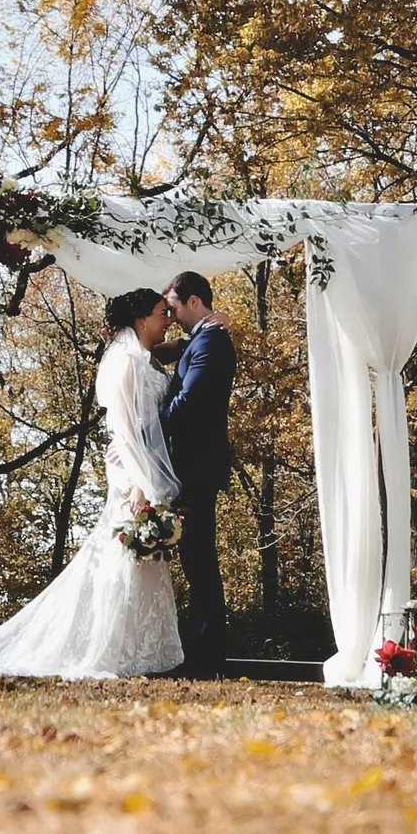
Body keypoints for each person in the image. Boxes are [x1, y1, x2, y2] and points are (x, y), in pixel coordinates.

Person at [0, 286, 182, 681]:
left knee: (134, 554)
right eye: (163, 313)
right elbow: (126, 431)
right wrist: (142, 483)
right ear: (142, 319)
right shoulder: (125, 362)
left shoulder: (142, 359)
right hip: (132, 467)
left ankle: (140, 648)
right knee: (124, 551)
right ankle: (114, 647)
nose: (168, 320)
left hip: (140, 462)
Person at [160, 270, 236, 679]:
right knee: (194, 557)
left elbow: (188, 400)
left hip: (197, 467)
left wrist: (151, 427)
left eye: (172, 307)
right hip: (190, 466)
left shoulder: (211, 341)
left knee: (200, 560)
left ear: (193, 301)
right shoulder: (201, 337)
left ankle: (208, 657)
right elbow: (172, 350)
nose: (170, 316)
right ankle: (204, 653)